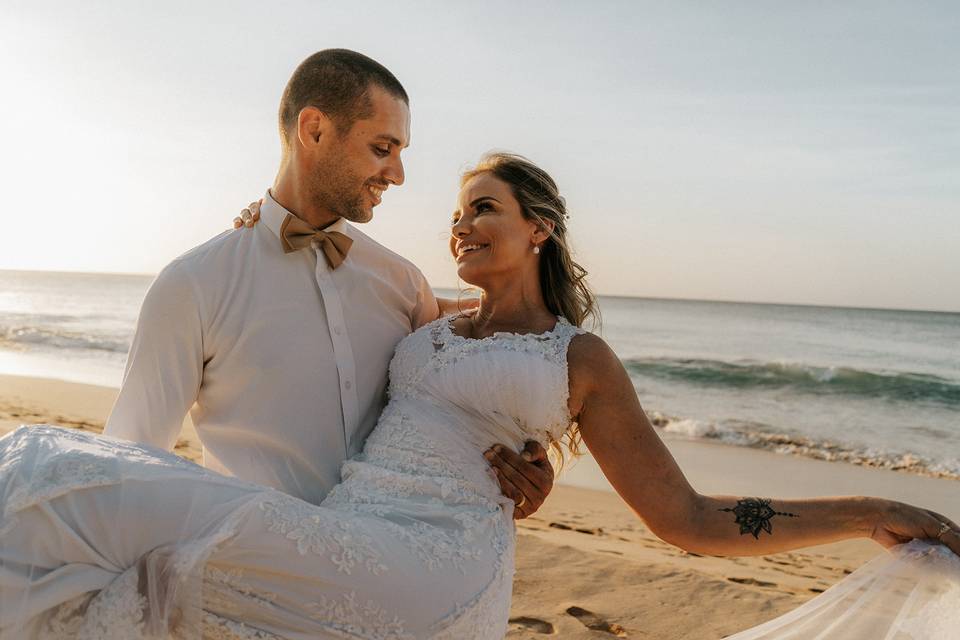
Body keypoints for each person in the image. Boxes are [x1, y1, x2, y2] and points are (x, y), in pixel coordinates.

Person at [1, 153, 958, 639]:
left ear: (539, 228)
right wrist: (262, 222)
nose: (461, 223)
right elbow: (320, 270)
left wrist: (873, 507)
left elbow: (689, 516)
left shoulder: (579, 359)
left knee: (94, 482)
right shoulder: (427, 312)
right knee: (136, 536)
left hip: (436, 561)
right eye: (456, 212)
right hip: (353, 529)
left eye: (484, 208)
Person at [103, 49, 553, 517]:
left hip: (394, 564)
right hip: (251, 571)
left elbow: (458, 392)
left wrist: (517, 468)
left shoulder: (401, 281)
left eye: (400, 153)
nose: (397, 176)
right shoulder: (194, 284)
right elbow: (131, 458)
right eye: (382, 149)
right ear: (314, 129)